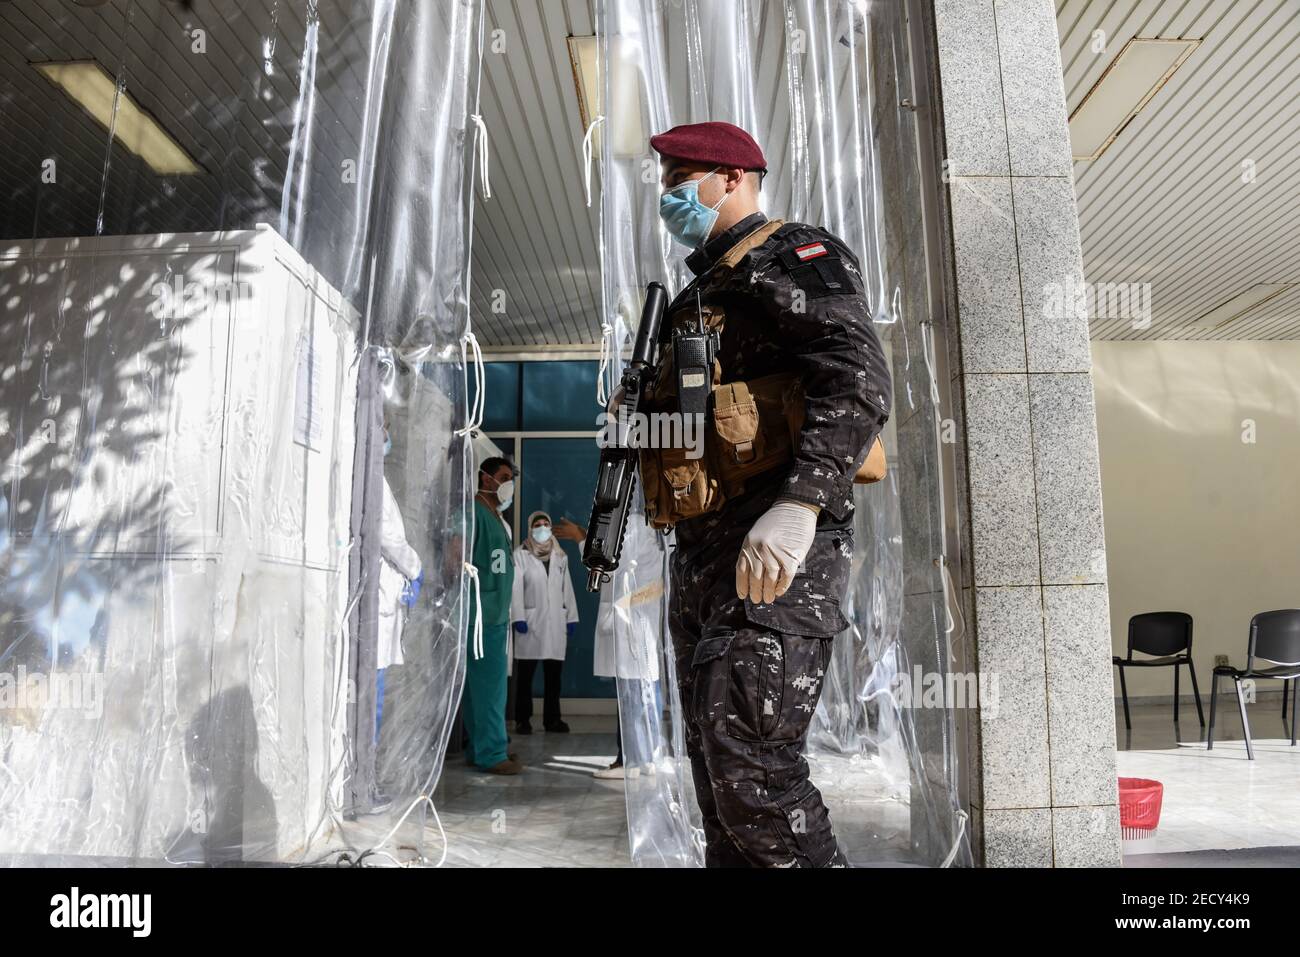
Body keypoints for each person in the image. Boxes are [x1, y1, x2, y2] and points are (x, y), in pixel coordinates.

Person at [646, 121, 892, 867]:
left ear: (734, 178)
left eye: (681, 178)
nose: (668, 196)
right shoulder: (699, 293)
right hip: (707, 562)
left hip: (778, 557)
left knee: (756, 776)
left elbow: (855, 377)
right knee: (721, 790)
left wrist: (801, 503)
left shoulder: (791, 254)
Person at [463, 456, 522, 774]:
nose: (508, 483)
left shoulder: (496, 516)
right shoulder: (472, 513)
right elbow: (455, 555)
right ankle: (493, 753)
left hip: (494, 612)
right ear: (486, 479)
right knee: (489, 689)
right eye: (503, 476)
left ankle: (480, 748)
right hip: (481, 615)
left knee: (480, 689)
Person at [509, 511, 578, 734]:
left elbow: (566, 588)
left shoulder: (560, 556)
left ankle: (552, 720)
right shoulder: (521, 554)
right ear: (530, 528)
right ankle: (522, 719)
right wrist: (518, 616)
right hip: (530, 622)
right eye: (537, 524)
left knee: (553, 676)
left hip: (555, 623)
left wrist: (571, 617)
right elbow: (515, 589)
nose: (542, 528)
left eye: (545, 524)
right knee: (525, 677)